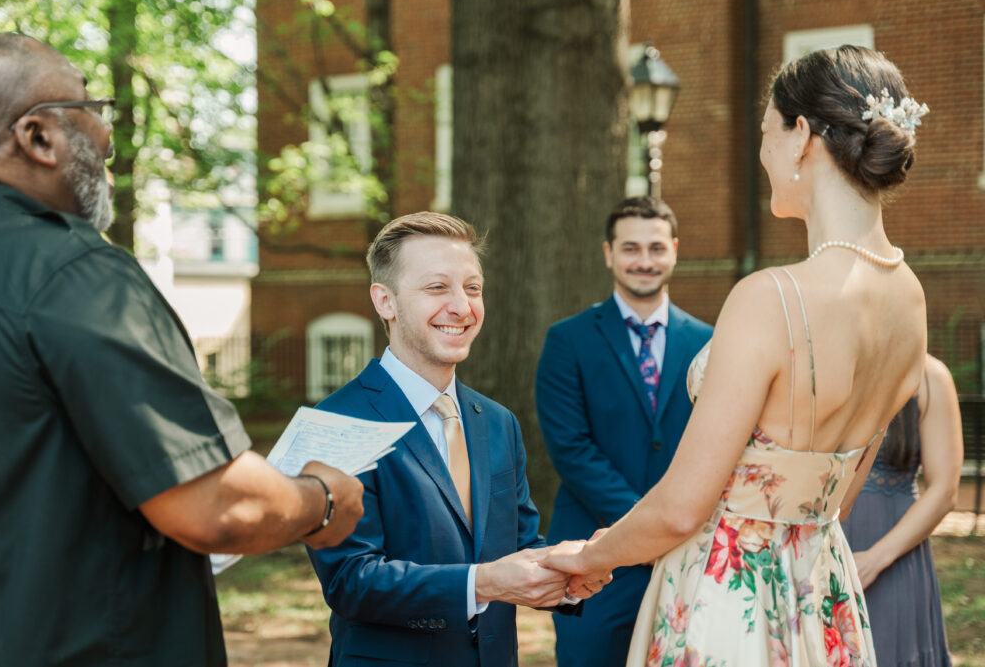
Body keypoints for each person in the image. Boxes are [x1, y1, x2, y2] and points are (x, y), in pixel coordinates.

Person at [0, 33, 364, 666]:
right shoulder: (72, 275)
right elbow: (219, 506)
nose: (107, 138)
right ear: (37, 137)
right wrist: (324, 499)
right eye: (92, 109)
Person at [543, 44, 929, 667]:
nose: (762, 152)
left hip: (730, 600)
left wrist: (585, 559)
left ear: (801, 135)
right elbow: (840, 495)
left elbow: (680, 508)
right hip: (820, 593)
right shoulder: (910, 297)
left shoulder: (772, 296)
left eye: (765, 132)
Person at [307, 212, 607, 667]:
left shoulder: (498, 422)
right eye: (436, 288)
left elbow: (521, 544)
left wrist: (567, 573)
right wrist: (483, 582)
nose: (462, 307)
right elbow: (351, 580)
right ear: (384, 301)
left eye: (472, 288)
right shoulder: (336, 421)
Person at [535, 196, 712, 667]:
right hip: (596, 558)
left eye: (656, 248)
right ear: (608, 253)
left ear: (674, 250)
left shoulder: (711, 341)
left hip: (688, 554)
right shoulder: (567, 340)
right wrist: (648, 526)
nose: (645, 261)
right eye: (631, 248)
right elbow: (571, 449)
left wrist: (677, 524)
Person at [841, 354, 962, 666]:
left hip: (894, 555)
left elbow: (944, 490)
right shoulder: (832, 362)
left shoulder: (930, 376)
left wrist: (875, 559)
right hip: (826, 547)